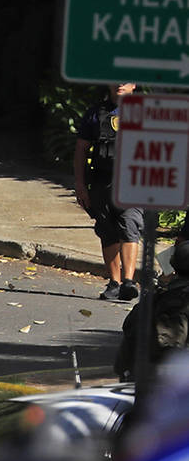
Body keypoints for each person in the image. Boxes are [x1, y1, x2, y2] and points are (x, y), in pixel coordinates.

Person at [73, 83, 144, 301]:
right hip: (102, 183)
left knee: (130, 225)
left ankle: (129, 282)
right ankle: (114, 283)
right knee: (107, 230)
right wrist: (80, 186)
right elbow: (81, 151)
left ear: (135, 85)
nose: (120, 83)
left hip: (134, 182)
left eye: (126, 80)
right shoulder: (96, 114)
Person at [114, 241, 189, 381]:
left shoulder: (155, 299)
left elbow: (122, 360)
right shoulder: (177, 304)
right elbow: (169, 348)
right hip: (166, 388)